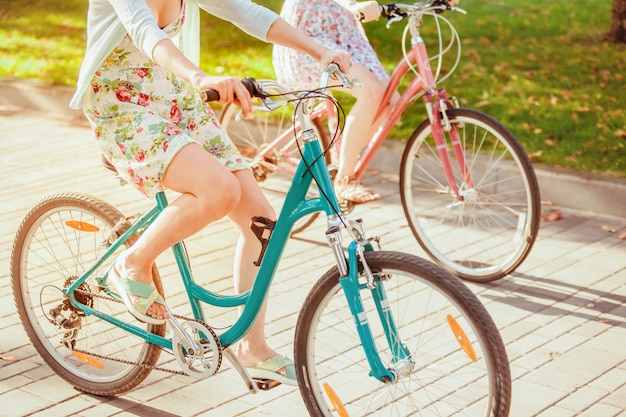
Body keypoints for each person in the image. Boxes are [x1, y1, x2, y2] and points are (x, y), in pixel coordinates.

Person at [69, 0, 350, 386]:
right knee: (218, 190)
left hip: (176, 100)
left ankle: (253, 347)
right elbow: (145, 32)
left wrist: (320, 50)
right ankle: (132, 263)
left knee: (261, 223)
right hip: (122, 104)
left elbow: (247, 12)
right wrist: (200, 76)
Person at [273, 0, 389, 204]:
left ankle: (342, 157)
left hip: (344, 31)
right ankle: (345, 178)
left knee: (390, 99)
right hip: (310, 33)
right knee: (371, 91)